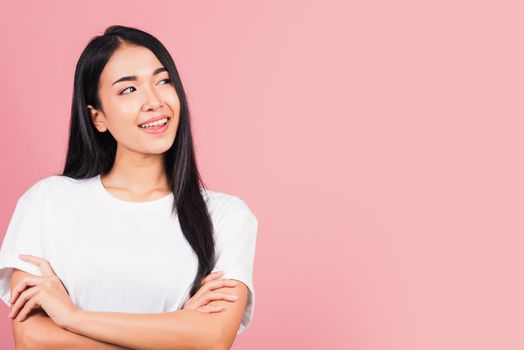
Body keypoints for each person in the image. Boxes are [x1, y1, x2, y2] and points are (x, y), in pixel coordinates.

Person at [0, 25, 258, 349]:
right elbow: (32, 340)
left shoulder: (226, 216)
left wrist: (72, 318)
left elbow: (213, 337)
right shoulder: (47, 202)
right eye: (128, 90)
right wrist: (175, 332)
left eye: (163, 81)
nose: (153, 101)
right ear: (97, 118)